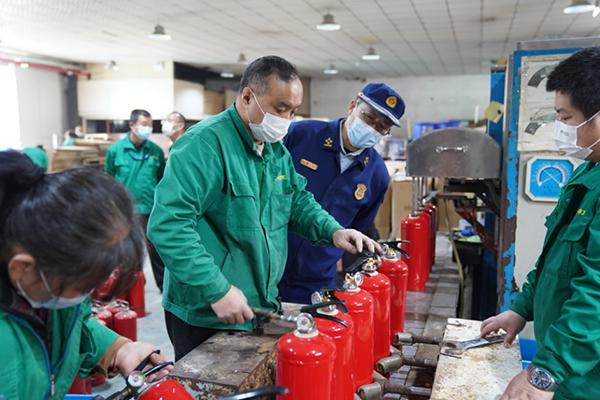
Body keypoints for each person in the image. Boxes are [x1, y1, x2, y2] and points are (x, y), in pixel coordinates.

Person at [148, 55, 379, 361]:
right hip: (207, 310)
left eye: (293, 111)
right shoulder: (204, 145)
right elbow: (169, 226)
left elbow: (296, 201)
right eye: (280, 109)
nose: (286, 120)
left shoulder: (274, 149)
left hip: (258, 304)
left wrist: (333, 231)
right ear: (247, 97)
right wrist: (216, 288)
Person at [0, 151, 172, 399]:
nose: (87, 294)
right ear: (22, 268)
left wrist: (118, 351)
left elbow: (70, 326)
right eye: (82, 285)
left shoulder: (45, 284)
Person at [480, 46, 600, 400]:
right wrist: (520, 309)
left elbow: (596, 294)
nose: (561, 128)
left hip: (585, 378)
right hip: (565, 370)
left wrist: (546, 372)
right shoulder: (587, 173)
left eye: (566, 117)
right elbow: (554, 264)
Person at [279, 83, 405, 303]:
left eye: (382, 127)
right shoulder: (300, 135)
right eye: (369, 118)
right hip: (268, 266)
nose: (372, 128)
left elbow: (358, 228)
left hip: (317, 279)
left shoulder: (377, 175)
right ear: (352, 106)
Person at [105, 109, 167, 292]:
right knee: (127, 251)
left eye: (150, 125)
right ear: (131, 125)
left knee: (156, 249)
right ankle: (131, 287)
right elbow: (109, 180)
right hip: (125, 209)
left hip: (150, 207)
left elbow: (161, 179)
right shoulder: (115, 151)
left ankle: (163, 286)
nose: (148, 128)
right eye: (144, 124)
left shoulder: (155, 151)